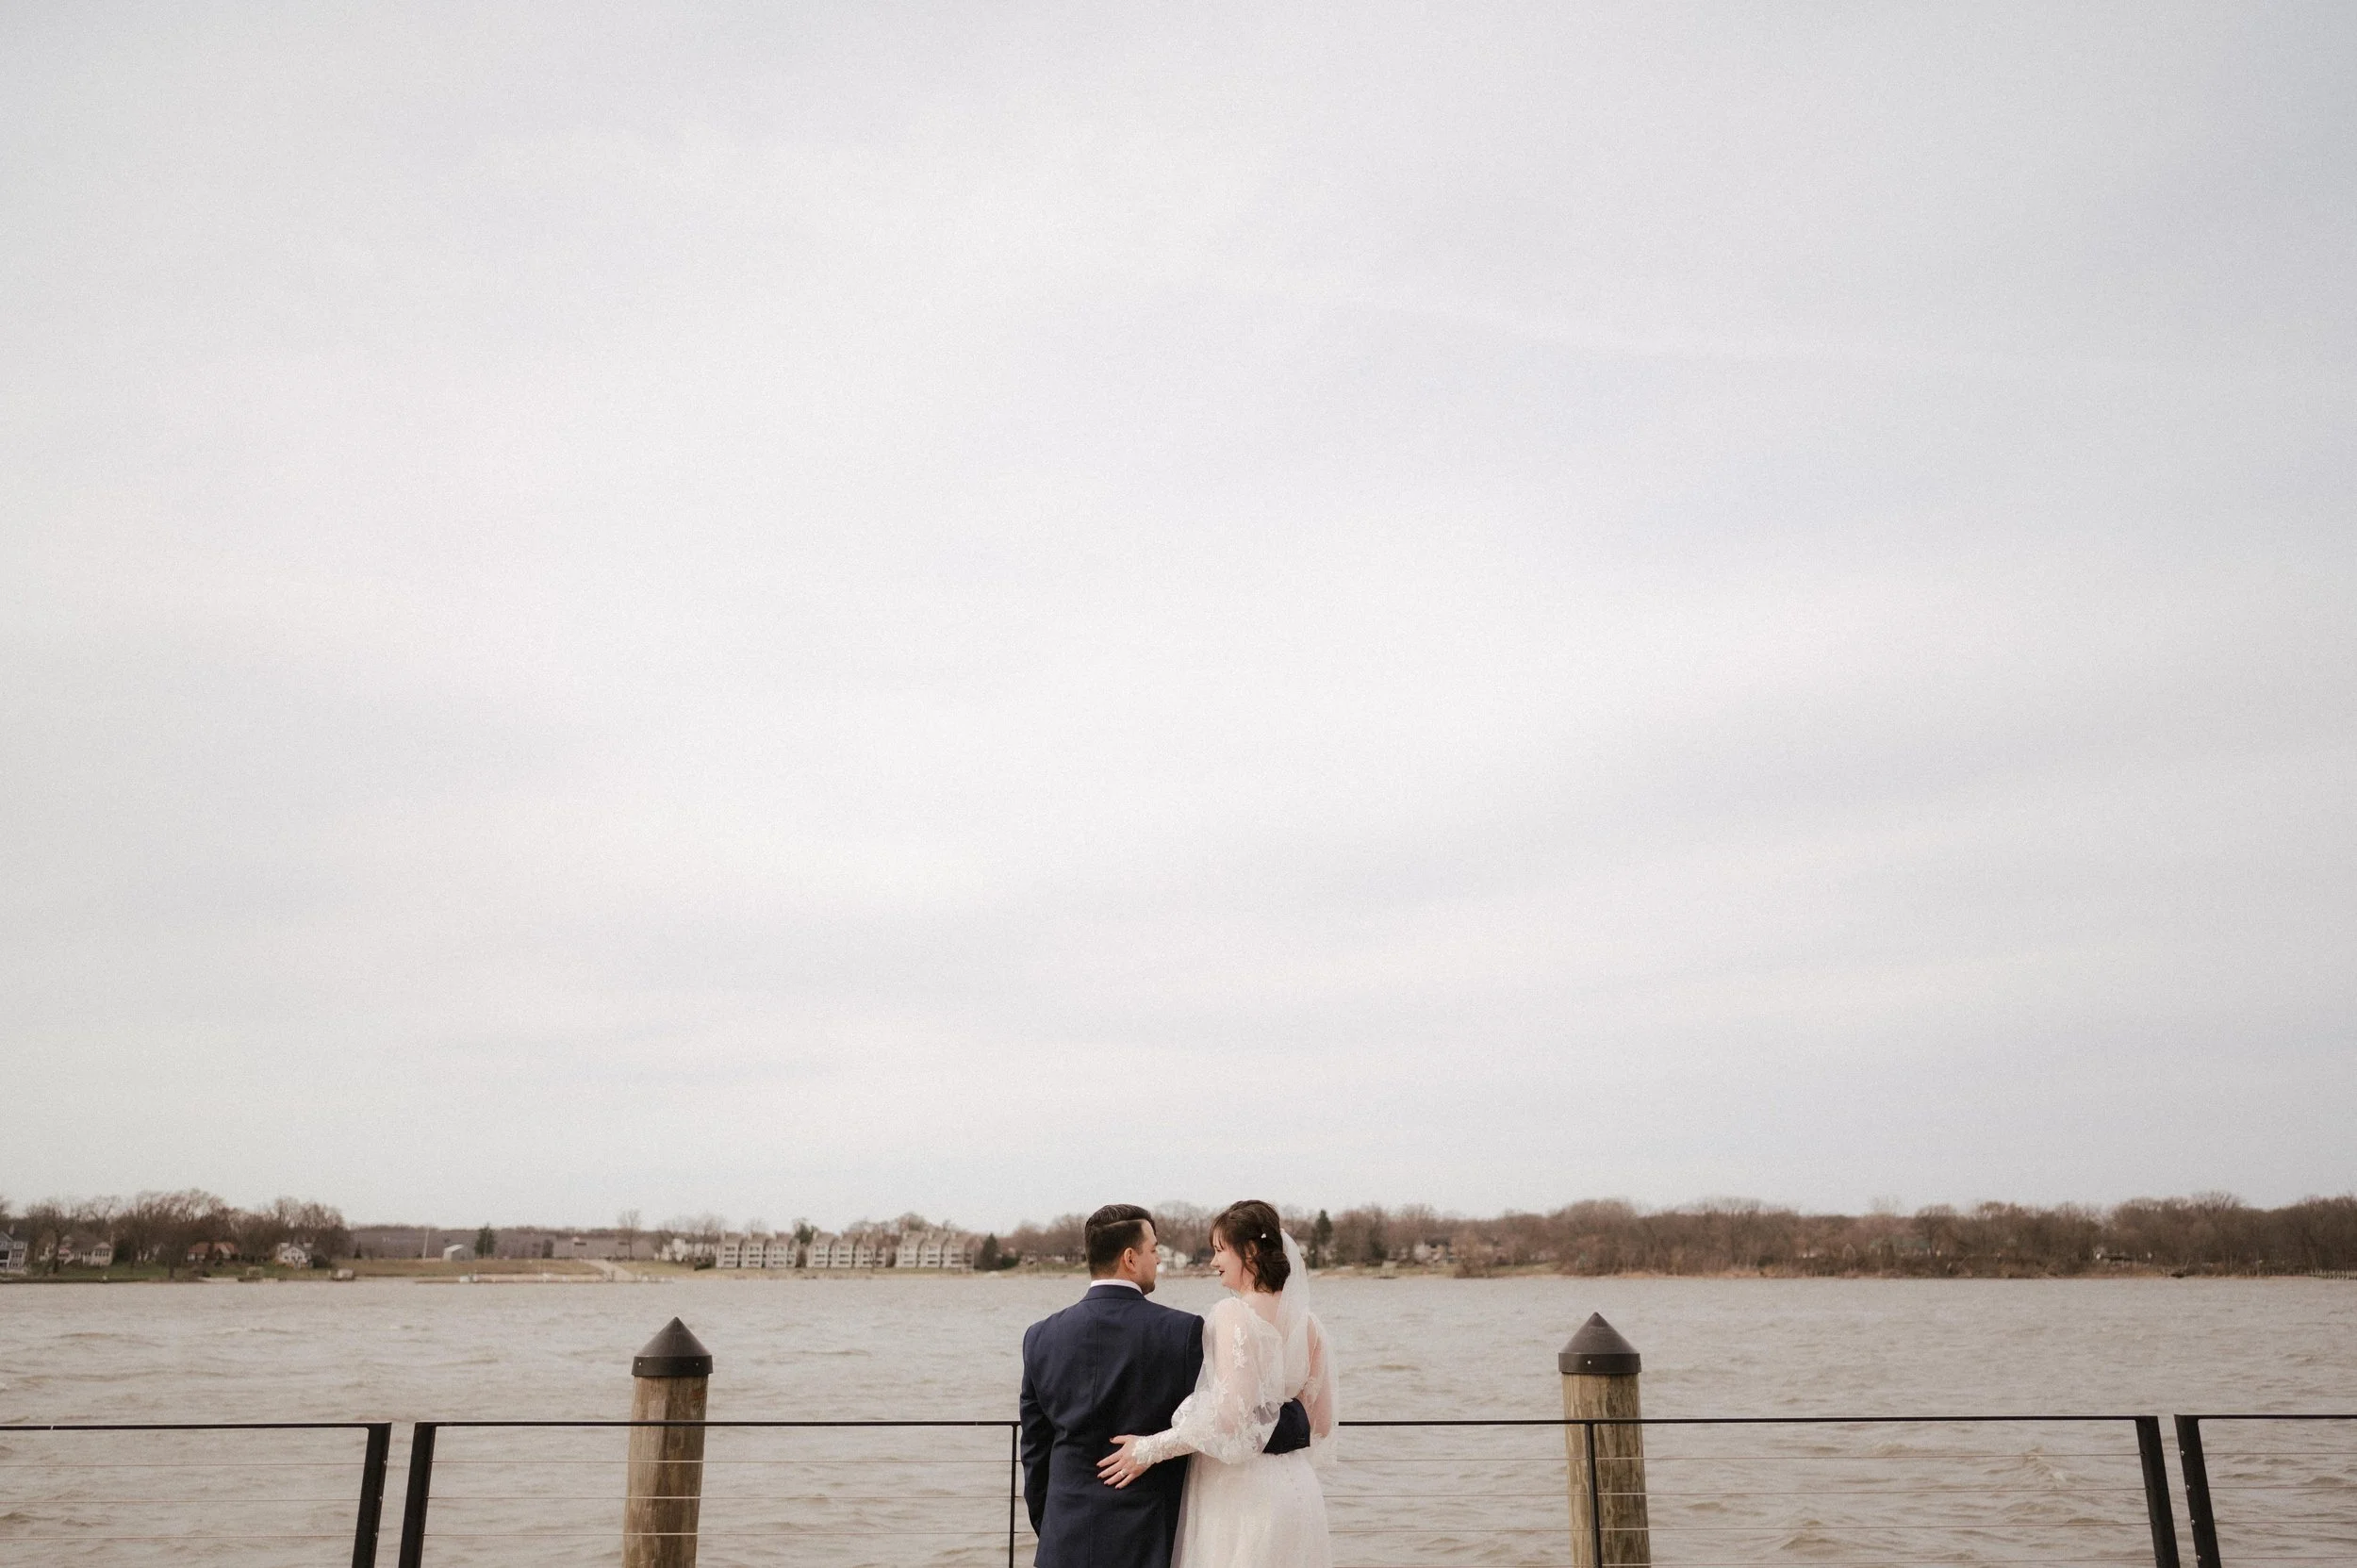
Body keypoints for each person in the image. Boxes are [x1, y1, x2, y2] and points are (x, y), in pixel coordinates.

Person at [1019, 1205, 1313, 1568]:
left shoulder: (1039, 1337)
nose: (1159, 1260)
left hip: (1063, 1537)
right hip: (1149, 1537)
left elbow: (1034, 1448)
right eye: (1154, 1250)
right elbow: (1233, 1420)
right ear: (1130, 1257)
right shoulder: (1182, 1332)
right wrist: (1302, 1423)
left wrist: (1050, 1526)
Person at [1096, 1199, 1338, 1568]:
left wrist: (1150, 1448)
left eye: (1220, 1250)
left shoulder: (1233, 1315)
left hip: (1243, 1494)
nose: (1212, 1262)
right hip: (1297, 1489)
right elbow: (1318, 1424)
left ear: (1251, 1252)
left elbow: (1231, 1421)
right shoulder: (1310, 1325)